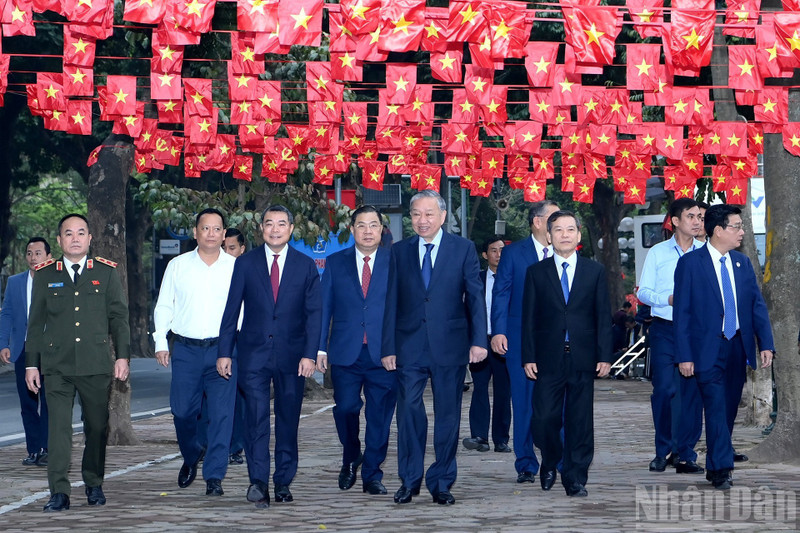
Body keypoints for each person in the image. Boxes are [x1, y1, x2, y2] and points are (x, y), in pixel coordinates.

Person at [382, 190, 487, 505]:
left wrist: (479, 340)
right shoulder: (398, 251)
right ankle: (409, 479)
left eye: (429, 214)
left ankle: (441, 481)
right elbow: (390, 303)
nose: (422, 220)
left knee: (448, 415)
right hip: (408, 345)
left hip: (450, 345)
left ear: (443, 217)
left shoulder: (463, 249)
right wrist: (388, 347)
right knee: (409, 412)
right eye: (416, 214)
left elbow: (475, 297)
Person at [218, 205, 322, 509]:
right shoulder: (246, 264)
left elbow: (314, 314)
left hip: (293, 357)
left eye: (281, 224)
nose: (274, 229)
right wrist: (225, 351)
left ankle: (283, 481)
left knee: (288, 421)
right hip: (253, 355)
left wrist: (310, 354)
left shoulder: (305, 266)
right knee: (256, 419)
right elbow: (231, 309)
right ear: (261, 229)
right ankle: (258, 482)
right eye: (268, 224)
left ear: (290, 229)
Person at [25, 213, 130, 512]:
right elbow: (36, 324)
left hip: (95, 364)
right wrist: (32, 364)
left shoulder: (106, 273)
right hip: (56, 365)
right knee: (58, 429)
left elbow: (119, 319)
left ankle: (93, 481)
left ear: (89, 239)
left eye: (81, 233)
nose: (75, 238)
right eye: (68, 233)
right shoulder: (45, 274)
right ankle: (59, 491)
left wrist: (122, 355)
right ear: (59, 240)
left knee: (96, 427)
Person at [674, 204, 774, 490]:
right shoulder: (691, 264)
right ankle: (721, 468)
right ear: (718, 231)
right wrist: (684, 355)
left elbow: (757, 307)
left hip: (736, 349)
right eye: (736, 226)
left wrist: (765, 343)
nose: (741, 232)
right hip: (705, 350)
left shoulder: (742, 266)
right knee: (716, 407)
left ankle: (718, 459)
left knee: (728, 409)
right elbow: (683, 313)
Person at [522, 210, 612, 497]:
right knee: (544, 418)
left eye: (570, 229)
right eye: (558, 230)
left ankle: (575, 477)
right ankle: (550, 458)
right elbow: (529, 319)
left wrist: (605, 355)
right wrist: (528, 356)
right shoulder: (536, 272)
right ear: (549, 236)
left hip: (583, 356)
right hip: (548, 357)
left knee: (580, 421)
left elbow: (602, 317)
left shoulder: (594, 271)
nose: (564, 235)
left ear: (578, 235)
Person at [153, 208, 237, 497]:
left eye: (217, 229)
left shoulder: (236, 267)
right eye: (205, 228)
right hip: (186, 349)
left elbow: (244, 310)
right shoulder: (178, 265)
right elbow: (164, 304)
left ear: (224, 234)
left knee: (221, 415)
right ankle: (192, 455)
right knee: (182, 411)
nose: (211, 234)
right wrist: (160, 342)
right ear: (195, 232)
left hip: (223, 350)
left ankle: (214, 476)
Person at [317, 205, 397, 495]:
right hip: (345, 352)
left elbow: (403, 309)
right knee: (346, 408)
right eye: (361, 225)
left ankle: (372, 474)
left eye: (373, 225)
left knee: (380, 417)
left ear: (381, 230)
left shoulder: (395, 261)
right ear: (351, 230)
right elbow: (324, 307)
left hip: (384, 354)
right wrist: (319, 349)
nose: (367, 231)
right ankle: (351, 454)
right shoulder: (336, 262)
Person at [491, 200, 559, 483]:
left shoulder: (564, 251)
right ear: (538, 222)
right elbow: (501, 293)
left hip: (557, 339)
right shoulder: (514, 253)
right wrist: (498, 330)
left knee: (558, 402)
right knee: (523, 402)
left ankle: (558, 460)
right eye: (555, 218)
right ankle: (526, 463)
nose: (561, 224)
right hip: (520, 339)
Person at [636, 198, 705, 475]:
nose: (698, 221)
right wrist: (667, 299)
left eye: (700, 216)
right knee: (665, 389)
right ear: (675, 221)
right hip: (665, 328)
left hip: (698, 331)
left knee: (691, 393)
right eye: (691, 216)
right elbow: (643, 292)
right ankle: (662, 449)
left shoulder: (707, 252)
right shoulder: (658, 252)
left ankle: (685, 453)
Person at [0, 237, 52, 467]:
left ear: (48, 256)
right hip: (22, 349)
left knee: (50, 400)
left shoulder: (58, 280)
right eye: (29, 253)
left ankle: (48, 448)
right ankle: (33, 449)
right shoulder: (15, 282)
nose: (33, 258)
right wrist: (4, 343)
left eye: (38, 253)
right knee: (28, 402)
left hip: (50, 351)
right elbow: (7, 314)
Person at [463, 236, 511, 454]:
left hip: (504, 343)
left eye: (502, 250)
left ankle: (501, 438)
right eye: (494, 250)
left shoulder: (513, 278)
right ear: (485, 255)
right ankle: (479, 435)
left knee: (503, 391)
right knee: (479, 388)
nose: (499, 255)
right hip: (480, 342)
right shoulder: (476, 280)